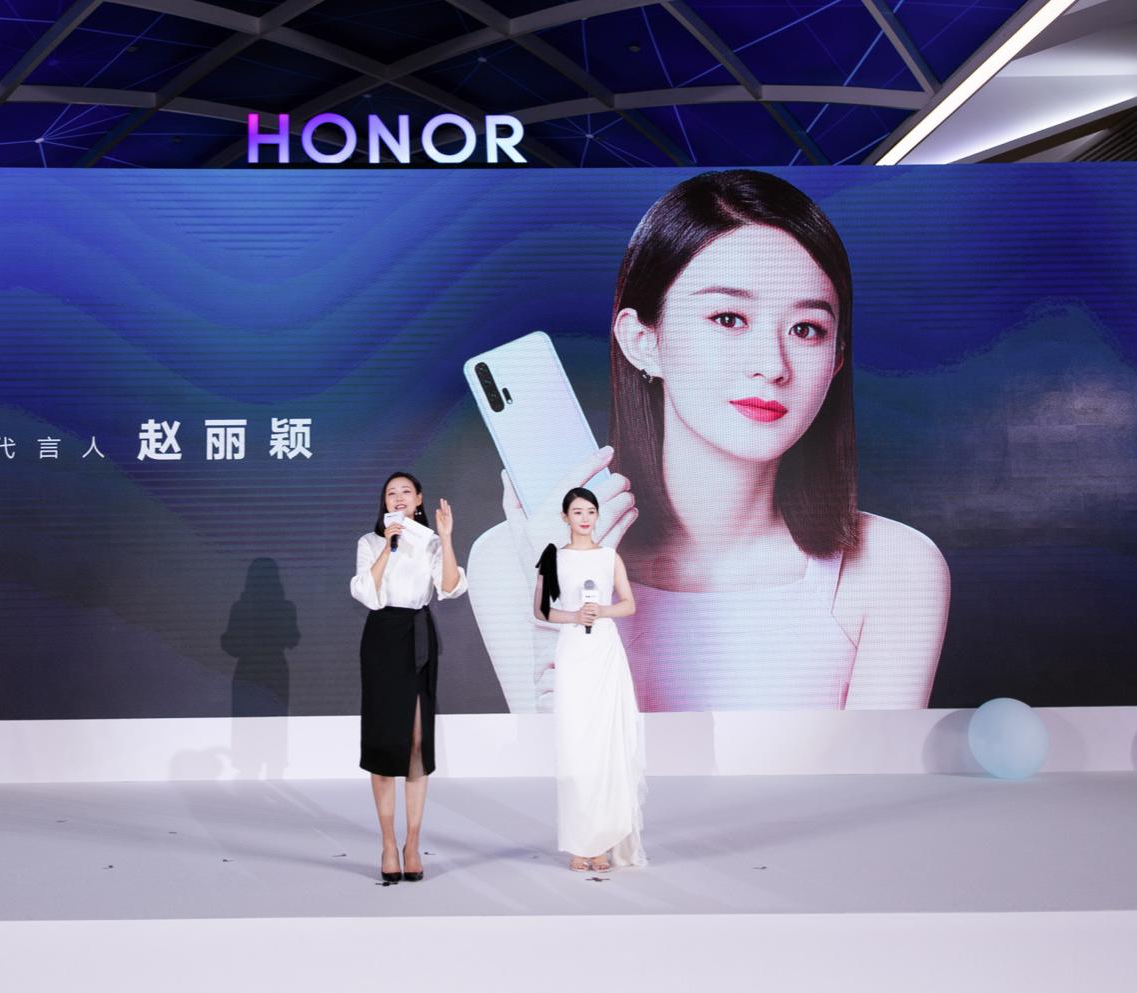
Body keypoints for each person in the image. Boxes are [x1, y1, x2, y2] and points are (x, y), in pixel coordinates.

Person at [470, 169, 950, 713]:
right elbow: (567, 767)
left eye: (806, 329)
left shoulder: (893, 569)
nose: (772, 365)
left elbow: (878, 773)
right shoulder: (513, 560)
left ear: (836, 359)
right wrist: (563, 607)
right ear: (642, 340)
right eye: (728, 318)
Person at [350, 472, 466, 882]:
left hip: (418, 637)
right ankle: (387, 842)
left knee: (417, 741)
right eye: (390, 493)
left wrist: (446, 539)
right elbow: (365, 592)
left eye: (405, 492)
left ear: (418, 499)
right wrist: (387, 545)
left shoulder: (432, 542)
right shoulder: (369, 542)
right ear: (384, 503)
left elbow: (450, 588)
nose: (398, 498)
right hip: (382, 637)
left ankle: (412, 843)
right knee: (384, 742)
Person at [535, 488, 645, 871]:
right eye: (578, 512)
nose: (585, 518)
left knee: (605, 745)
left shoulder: (609, 556)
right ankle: (579, 843)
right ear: (564, 517)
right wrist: (574, 616)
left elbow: (629, 604)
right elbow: (541, 610)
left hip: (605, 653)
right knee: (575, 745)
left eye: (591, 511)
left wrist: (601, 611)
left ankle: (602, 842)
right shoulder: (553, 556)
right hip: (573, 652)